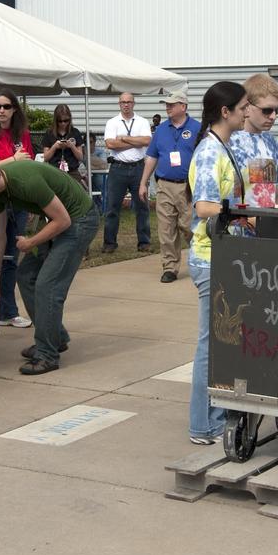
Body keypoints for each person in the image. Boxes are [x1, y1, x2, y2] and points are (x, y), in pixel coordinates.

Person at [0, 159, 100, 375]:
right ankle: (55, 338)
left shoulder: (25, 181)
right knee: (25, 276)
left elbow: (63, 221)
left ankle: (47, 355)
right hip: (56, 219)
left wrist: (31, 242)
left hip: (79, 220)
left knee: (48, 286)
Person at [186, 81, 249, 444]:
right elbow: (205, 207)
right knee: (211, 344)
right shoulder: (211, 151)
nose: (246, 112)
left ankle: (215, 415)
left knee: (220, 342)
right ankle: (203, 424)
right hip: (212, 258)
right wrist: (242, 213)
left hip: (223, 255)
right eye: (242, 107)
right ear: (225, 112)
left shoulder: (221, 146)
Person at [0, 88, 38, 328]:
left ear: (14, 109)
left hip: (19, 199)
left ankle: (8, 311)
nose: (1, 111)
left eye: (6, 107)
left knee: (12, 257)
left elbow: (30, 163)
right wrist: (13, 161)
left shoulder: (21, 134)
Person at [139, 91, 202, 283]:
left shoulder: (197, 128)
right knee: (166, 229)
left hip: (187, 187)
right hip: (164, 185)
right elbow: (151, 157)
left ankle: (200, 261)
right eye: (166, 104)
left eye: (171, 104)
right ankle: (170, 267)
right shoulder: (161, 130)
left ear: (183, 106)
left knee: (189, 227)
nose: (167, 107)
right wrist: (143, 182)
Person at [230, 73, 278, 239]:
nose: (273, 116)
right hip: (235, 236)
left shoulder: (273, 143)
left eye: (276, 110)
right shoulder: (229, 141)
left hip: (268, 235)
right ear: (247, 107)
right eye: (267, 110)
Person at [101, 92, 153, 253]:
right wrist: (134, 142)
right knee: (112, 207)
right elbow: (110, 144)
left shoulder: (142, 121)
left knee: (142, 206)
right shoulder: (112, 122)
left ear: (134, 103)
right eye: (123, 102)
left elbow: (147, 141)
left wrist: (124, 139)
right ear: (119, 104)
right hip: (118, 168)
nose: (126, 105)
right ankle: (109, 243)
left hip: (138, 168)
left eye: (129, 102)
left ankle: (144, 242)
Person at [40, 103, 87, 188]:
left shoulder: (75, 132)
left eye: (66, 120)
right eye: (60, 121)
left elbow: (80, 157)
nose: (63, 123)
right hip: (54, 171)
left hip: (72, 172)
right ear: (55, 120)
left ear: (70, 119)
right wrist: (55, 147)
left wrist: (72, 146)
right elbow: (46, 157)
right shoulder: (49, 133)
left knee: (75, 196)